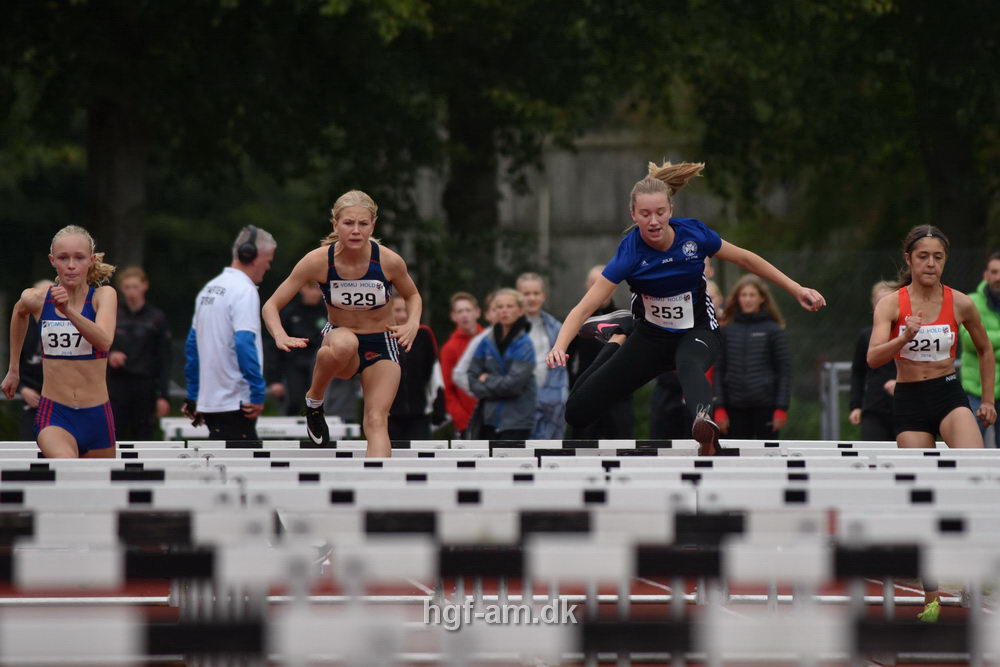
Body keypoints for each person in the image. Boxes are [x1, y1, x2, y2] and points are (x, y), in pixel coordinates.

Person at [546, 161, 825, 456]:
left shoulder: (693, 235)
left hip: (698, 331)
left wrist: (797, 288)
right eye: (645, 214)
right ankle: (621, 332)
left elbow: (746, 260)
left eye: (660, 213)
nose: (653, 222)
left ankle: (703, 425)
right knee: (577, 412)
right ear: (633, 215)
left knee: (688, 363)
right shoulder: (629, 253)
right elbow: (582, 308)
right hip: (650, 339)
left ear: (670, 211)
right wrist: (560, 346)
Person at [866, 225, 997, 622]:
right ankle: (932, 594)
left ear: (945, 261)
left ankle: (979, 571)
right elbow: (873, 358)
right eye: (923, 256)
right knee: (922, 496)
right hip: (909, 401)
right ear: (909, 259)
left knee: (976, 478)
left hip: (948, 393)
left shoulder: (959, 303)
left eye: (938, 257)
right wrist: (903, 337)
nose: (931, 264)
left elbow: (985, 349)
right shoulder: (891, 304)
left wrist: (988, 399)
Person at [261, 190, 421, 457]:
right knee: (347, 341)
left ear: (373, 225)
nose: (356, 231)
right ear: (335, 224)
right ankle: (314, 400)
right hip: (340, 339)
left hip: (381, 343)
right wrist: (279, 335)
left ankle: (376, 485)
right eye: (349, 223)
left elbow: (413, 295)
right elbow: (271, 305)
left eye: (363, 224)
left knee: (376, 420)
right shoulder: (318, 261)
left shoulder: (388, 261)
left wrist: (412, 323)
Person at [2, 226, 117, 458]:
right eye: (64, 258)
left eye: (79, 258)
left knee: (96, 491)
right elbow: (18, 312)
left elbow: (104, 342)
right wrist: (13, 369)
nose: (71, 265)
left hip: (96, 415)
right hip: (55, 414)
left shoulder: (103, 296)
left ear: (91, 260)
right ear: (53, 261)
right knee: (67, 469)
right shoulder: (38, 299)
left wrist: (68, 312)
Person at [183, 226, 275, 441]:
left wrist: (195, 394)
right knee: (244, 470)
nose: (268, 266)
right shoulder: (245, 290)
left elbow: (191, 347)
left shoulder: (209, 288)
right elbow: (244, 343)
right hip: (237, 400)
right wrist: (257, 391)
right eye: (268, 259)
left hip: (212, 401)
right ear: (251, 254)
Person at [713, 275, 791, 439]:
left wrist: (781, 408)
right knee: (734, 459)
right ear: (737, 298)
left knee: (769, 458)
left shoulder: (773, 330)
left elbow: (784, 370)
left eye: (752, 295)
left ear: (762, 298)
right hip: (733, 407)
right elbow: (718, 370)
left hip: (766, 407)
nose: (747, 299)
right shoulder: (727, 330)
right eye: (744, 295)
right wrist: (718, 408)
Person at [567, 265, 634, 439]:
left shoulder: (625, 318)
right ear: (587, 286)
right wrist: (573, 387)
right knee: (583, 444)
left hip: (618, 394)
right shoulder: (578, 319)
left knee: (622, 444)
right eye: (593, 283)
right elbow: (569, 357)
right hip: (587, 388)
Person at [108, 267, 172, 440]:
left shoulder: (157, 318)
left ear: (145, 286)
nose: (131, 292)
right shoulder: (113, 315)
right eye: (127, 287)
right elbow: (98, 345)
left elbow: (164, 359)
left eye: (135, 286)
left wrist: (163, 396)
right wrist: (110, 355)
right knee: (114, 434)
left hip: (145, 386)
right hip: (117, 384)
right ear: (121, 288)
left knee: (143, 435)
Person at [467, 288, 537, 440]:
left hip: (517, 421)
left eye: (509, 306)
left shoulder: (525, 344)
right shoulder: (486, 341)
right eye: (499, 307)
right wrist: (498, 384)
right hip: (489, 419)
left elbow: (513, 385)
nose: (504, 311)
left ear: (520, 310)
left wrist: (487, 379)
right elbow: (472, 378)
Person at [517, 273, 569, 440]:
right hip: (517, 403)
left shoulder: (556, 328)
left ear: (543, 296)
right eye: (526, 294)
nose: (531, 298)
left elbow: (561, 368)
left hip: (551, 405)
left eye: (536, 293)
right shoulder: (508, 329)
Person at [387, 295, 443, 440]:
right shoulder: (380, 336)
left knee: (422, 460)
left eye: (406, 310)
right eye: (398, 310)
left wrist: (439, 405)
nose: (403, 315)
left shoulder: (424, 334)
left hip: (420, 414)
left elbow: (435, 373)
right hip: (388, 416)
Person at [269, 281, 330, 415]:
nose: (313, 293)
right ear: (302, 289)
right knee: (293, 402)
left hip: (318, 364)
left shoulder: (329, 313)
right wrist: (275, 380)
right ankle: (288, 435)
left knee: (320, 404)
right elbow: (276, 346)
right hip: (293, 364)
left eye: (316, 289)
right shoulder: (289, 312)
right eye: (310, 289)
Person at [959, 252, 1000, 447]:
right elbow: (968, 341)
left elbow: (983, 345)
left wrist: (988, 343)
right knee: (970, 451)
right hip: (976, 391)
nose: (998, 277)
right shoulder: (970, 302)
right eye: (994, 272)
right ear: (986, 275)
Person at [849, 281, 898, 441]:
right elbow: (858, 373)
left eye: (888, 301)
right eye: (879, 302)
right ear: (873, 305)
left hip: (905, 409)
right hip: (874, 409)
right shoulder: (866, 336)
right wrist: (856, 406)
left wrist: (901, 383)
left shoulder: (909, 334)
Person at [439, 292, 483, 438]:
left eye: (468, 310)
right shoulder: (449, 348)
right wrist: (463, 421)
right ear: (453, 316)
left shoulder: (490, 339)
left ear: (477, 312)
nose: (464, 315)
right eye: (460, 311)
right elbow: (447, 390)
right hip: (467, 422)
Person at [14, 279, 53, 440]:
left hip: (62, 400)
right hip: (32, 400)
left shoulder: (69, 323)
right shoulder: (23, 327)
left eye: (48, 296)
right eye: (40, 296)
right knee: (30, 446)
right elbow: (14, 365)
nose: (44, 300)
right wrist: (22, 389)